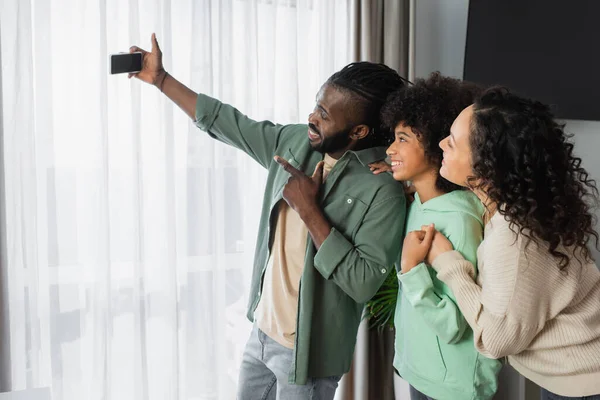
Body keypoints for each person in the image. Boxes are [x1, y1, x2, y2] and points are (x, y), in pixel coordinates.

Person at [129, 34, 407, 399]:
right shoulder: (295, 143)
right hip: (261, 334)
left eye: (325, 115)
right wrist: (162, 80)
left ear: (359, 131)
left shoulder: (382, 189)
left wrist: (310, 211)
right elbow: (228, 122)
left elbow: (363, 282)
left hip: (308, 357)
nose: (312, 118)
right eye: (316, 106)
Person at [403, 87, 600, 400]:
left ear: (486, 169)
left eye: (452, 142)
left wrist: (448, 263)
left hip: (581, 384)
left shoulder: (513, 239)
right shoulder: (534, 202)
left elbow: (495, 342)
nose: (441, 144)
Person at [374, 73, 501, 400]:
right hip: (422, 373)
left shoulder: (460, 219)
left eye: (402, 138)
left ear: (435, 144)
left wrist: (411, 270)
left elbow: (455, 325)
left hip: (453, 388)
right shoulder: (419, 202)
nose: (390, 148)